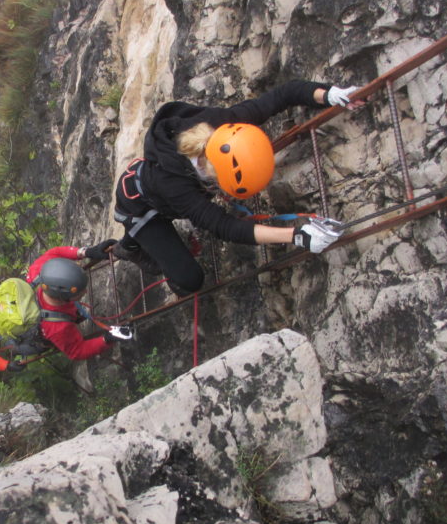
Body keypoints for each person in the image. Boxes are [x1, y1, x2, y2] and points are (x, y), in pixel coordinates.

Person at [113, 80, 361, 295]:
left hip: (163, 195)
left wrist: (328, 94)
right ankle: (129, 247)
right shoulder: (173, 183)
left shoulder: (222, 126)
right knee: (190, 280)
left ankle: (134, 243)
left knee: (173, 242)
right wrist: (297, 235)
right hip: (139, 207)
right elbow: (224, 227)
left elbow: (281, 95)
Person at [26, 242, 130, 360]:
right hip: (37, 332)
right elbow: (77, 351)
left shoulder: (43, 268)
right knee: (41, 344)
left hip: (57, 310)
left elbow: (55, 252)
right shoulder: (57, 328)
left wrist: (87, 252)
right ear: (64, 297)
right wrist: (106, 339)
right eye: (79, 293)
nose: (85, 292)